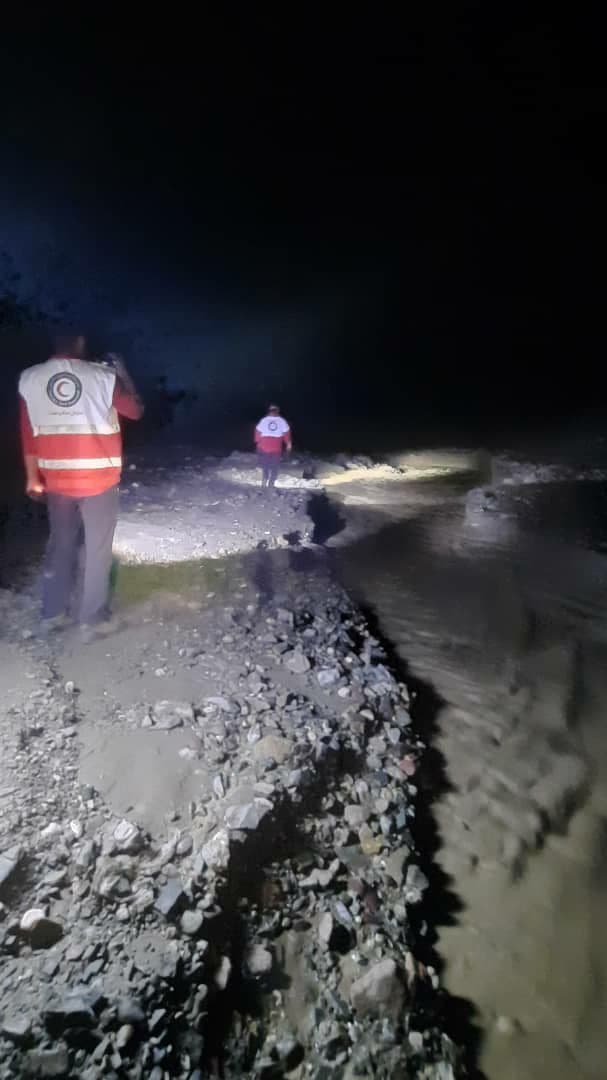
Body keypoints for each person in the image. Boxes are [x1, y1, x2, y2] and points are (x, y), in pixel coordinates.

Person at [18, 333, 144, 637]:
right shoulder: (102, 377)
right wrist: (123, 374)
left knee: (60, 545)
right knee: (98, 549)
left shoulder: (31, 379)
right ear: (81, 343)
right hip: (98, 479)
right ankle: (92, 619)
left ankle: (52, 614)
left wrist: (33, 477)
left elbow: (28, 432)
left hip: (58, 481)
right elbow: (136, 411)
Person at [254, 404, 292, 487]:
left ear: (269, 411)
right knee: (275, 465)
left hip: (264, 446)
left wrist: (257, 442)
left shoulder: (263, 420)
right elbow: (287, 434)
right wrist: (288, 444)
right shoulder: (282, 421)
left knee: (265, 465)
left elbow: (257, 432)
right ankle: (271, 482)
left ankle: (264, 480)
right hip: (276, 447)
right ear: (277, 411)